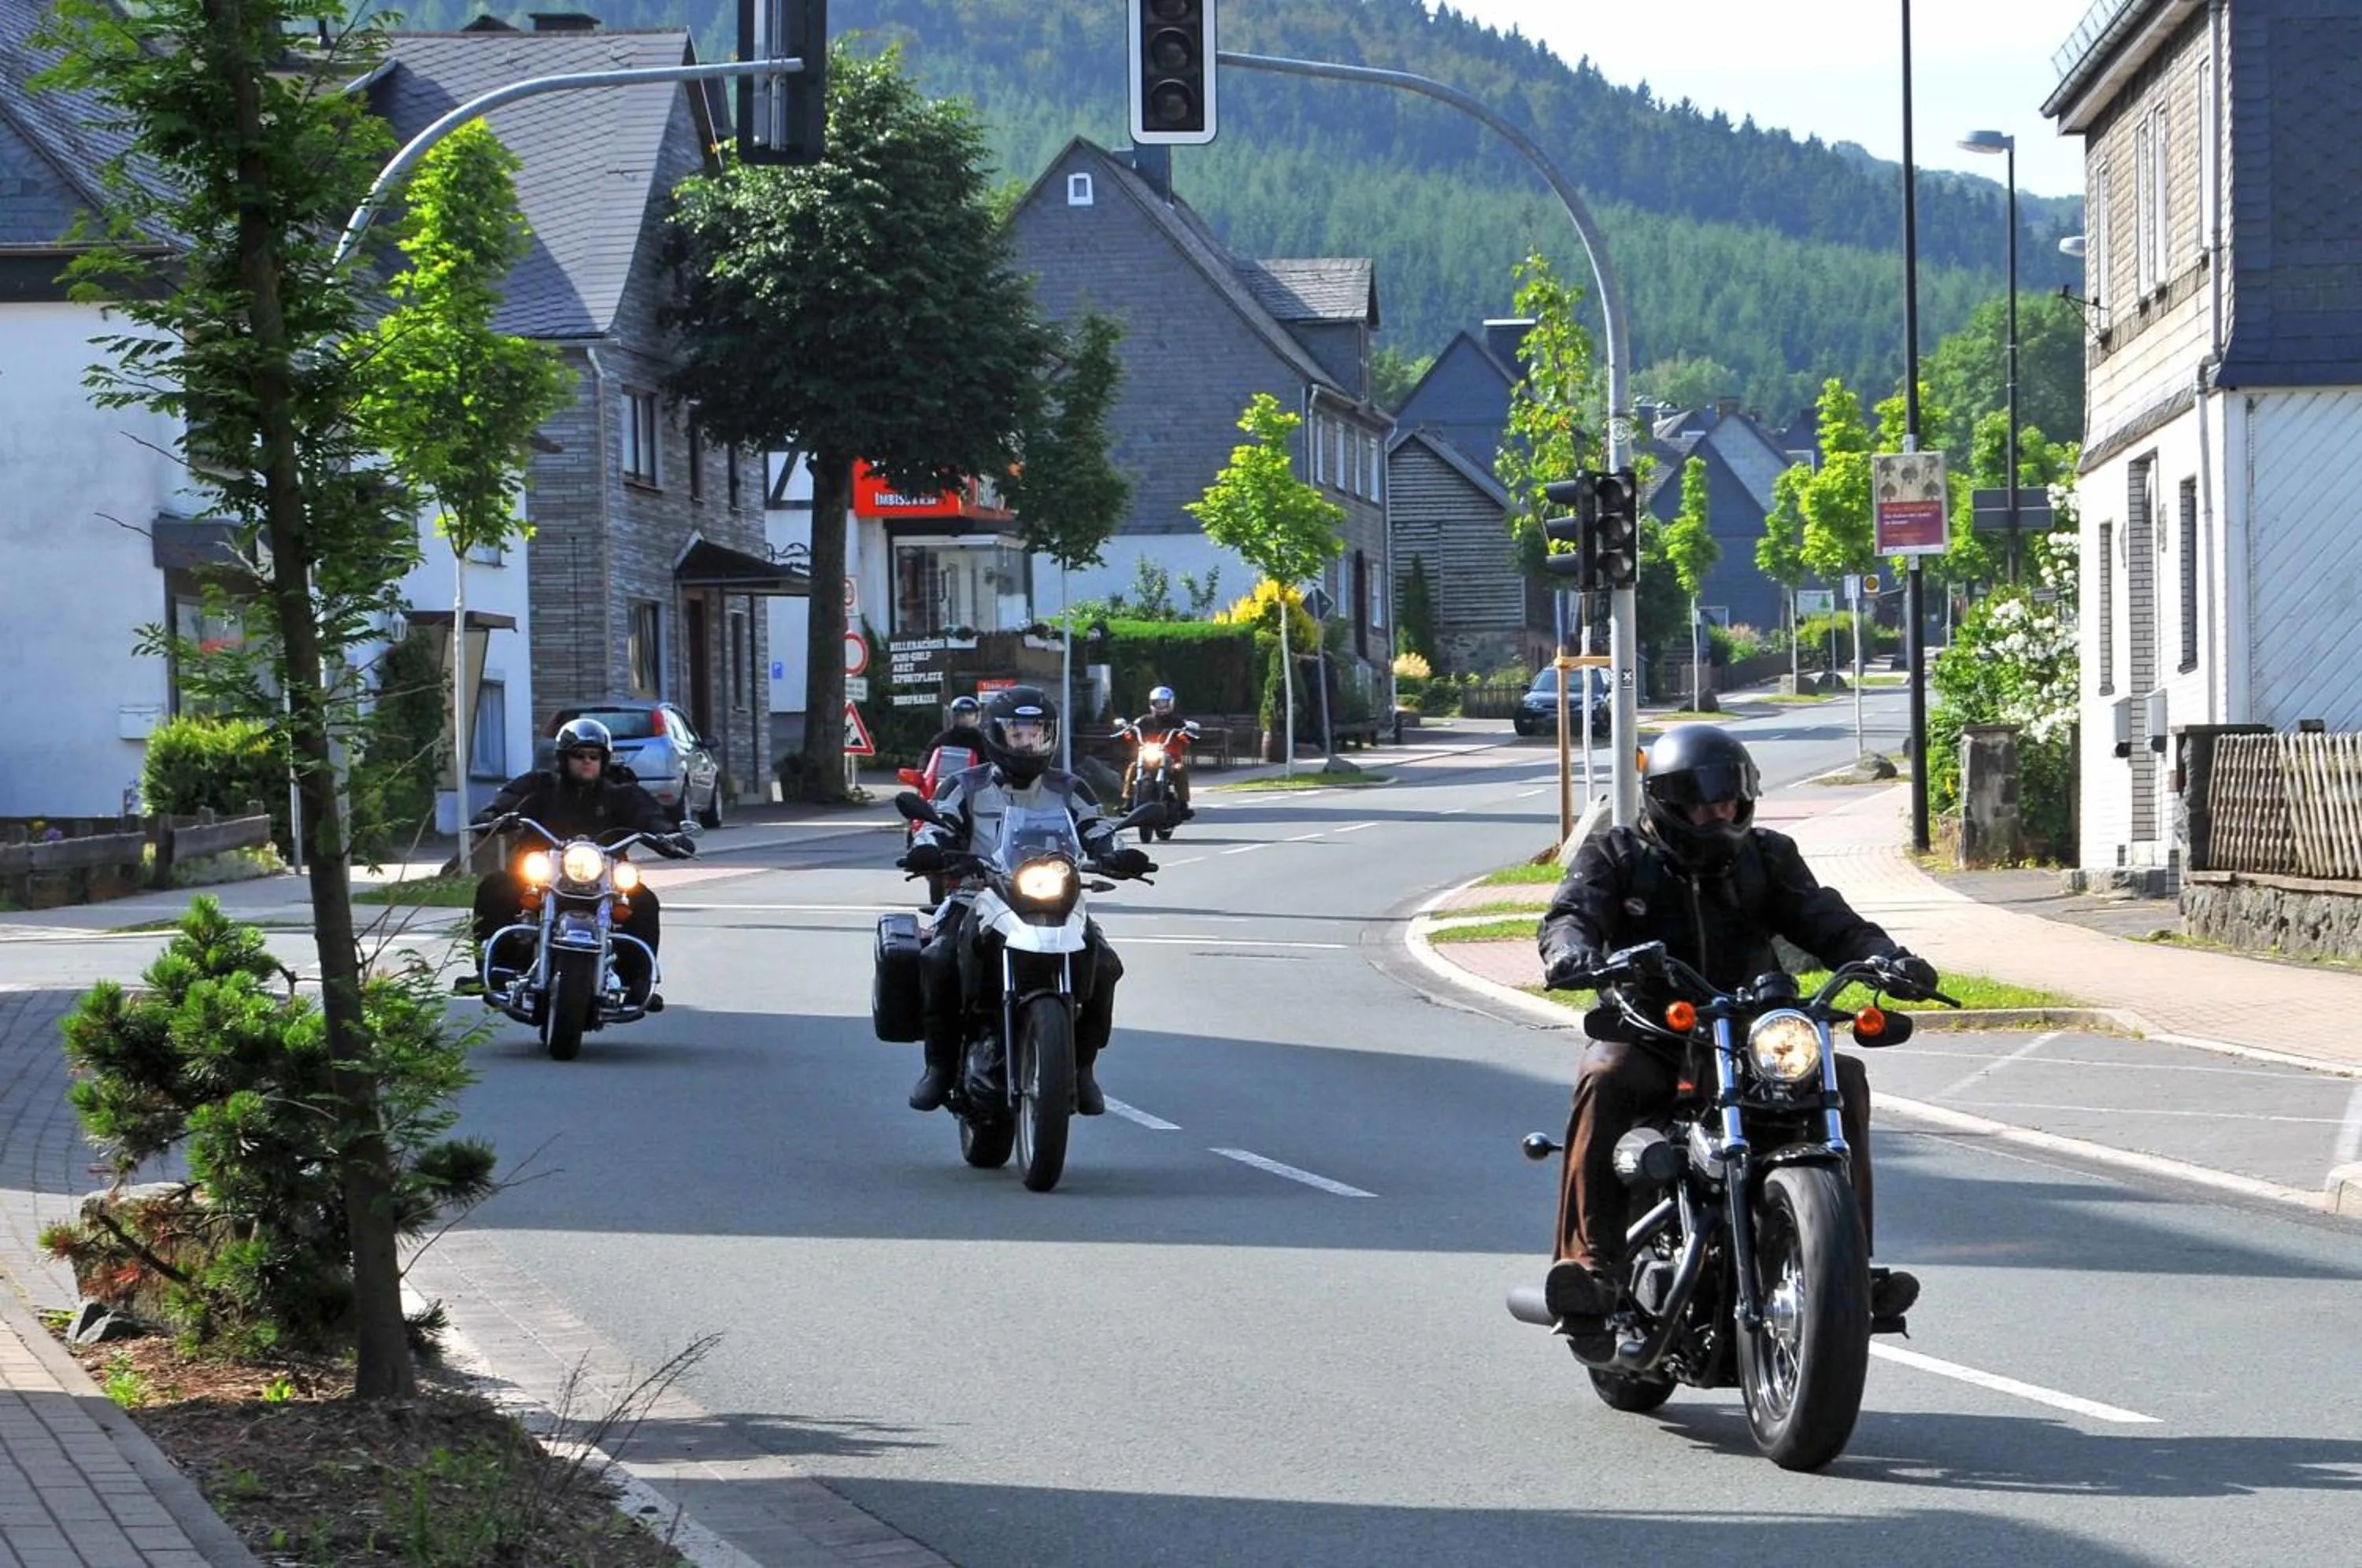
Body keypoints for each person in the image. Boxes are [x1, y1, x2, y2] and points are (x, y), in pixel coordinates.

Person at [1534, 723, 1933, 1345]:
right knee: (1606, 1073)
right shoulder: (1616, 854)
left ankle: (1851, 1267)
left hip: (1752, 1037)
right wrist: (1571, 952)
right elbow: (1572, 914)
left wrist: (1885, 957)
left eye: (1727, 798)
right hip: (1655, 1030)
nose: (1716, 811)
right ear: (1666, 800)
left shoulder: (1767, 856)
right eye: (1699, 800)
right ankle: (1590, 1267)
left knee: (1843, 1075)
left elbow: (1825, 918)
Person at [898, 686, 1153, 1117]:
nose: (1028, 742)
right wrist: (931, 847)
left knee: (1105, 963)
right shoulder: (965, 785)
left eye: (1037, 733)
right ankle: (939, 1068)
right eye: (1018, 734)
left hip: (1053, 896)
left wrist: (1117, 852)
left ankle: (1082, 1068)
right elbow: (934, 824)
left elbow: (1098, 827)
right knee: (939, 959)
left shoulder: (1069, 787)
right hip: (977, 894)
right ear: (998, 736)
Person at [468, 717, 693, 1004]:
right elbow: (510, 797)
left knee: (645, 902)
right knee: (495, 887)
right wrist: (493, 815)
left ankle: (639, 980)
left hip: (604, 879)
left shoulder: (621, 793)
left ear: (604, 759)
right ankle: (488, 969)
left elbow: (650, 816)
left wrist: (669, 835)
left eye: (594, 756)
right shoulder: (541, 785)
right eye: (579, 755)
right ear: (564, 758)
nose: (587, 762)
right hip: (542, 874)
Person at [1120, 684, 1196, 819]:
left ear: (1170, 703)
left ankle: (1184, 804)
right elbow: (1132, 730)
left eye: (1163, 703)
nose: (1161, 706)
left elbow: (1188, 737)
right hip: (1148, 755)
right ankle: (1128, 801)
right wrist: (1127, 732)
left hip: (1171, 757)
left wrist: (1185, 735)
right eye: (1158, 703)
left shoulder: (1177, 722)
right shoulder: (1144, 720)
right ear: (1152, 703)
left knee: (1180, 770)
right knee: (1132, 768)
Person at [920, 695, 985, 762]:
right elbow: (926, 759)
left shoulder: (984, 740)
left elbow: (992, 763)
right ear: (954, 716)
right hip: (947, 772)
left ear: (977, 716)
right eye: (962, 715)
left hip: (976, 772)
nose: (966, 718)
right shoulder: (943, 738)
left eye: (970, 714)